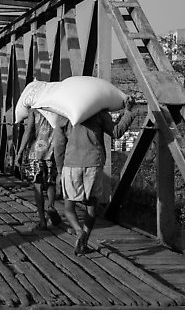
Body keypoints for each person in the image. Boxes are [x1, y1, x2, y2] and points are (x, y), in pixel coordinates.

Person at [53, 96, 136, 256]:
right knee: (91, 206)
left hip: (71, 164)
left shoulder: (64, 115)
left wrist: (59, 170)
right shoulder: (98, 113)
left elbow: (58, 146)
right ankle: (84, 242)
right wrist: (128, 112)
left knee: (69, 207)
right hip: (93, 163)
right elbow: (117, 132)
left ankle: (78, 232)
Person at [16, 109, 61, 230]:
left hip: (36, 152)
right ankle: (51, 206)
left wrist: (20, 151)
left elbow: (29, 131)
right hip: (53, 151)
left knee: (38, 186)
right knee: (51, 183)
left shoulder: (34, 111)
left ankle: (42, 221)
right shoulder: (57, 108)